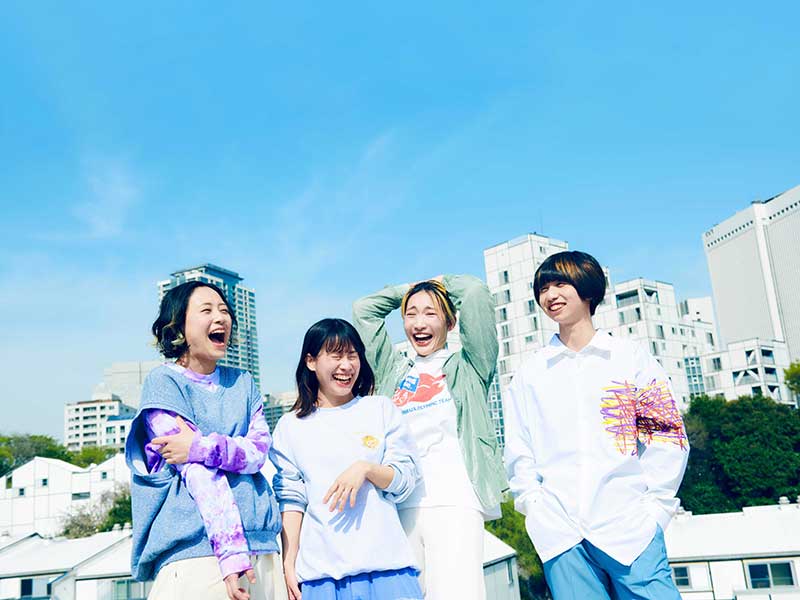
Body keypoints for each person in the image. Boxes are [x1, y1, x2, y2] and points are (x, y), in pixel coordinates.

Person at [503, 250, 689, 600]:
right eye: (543, 288)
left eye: (561, 284)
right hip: (561, 534)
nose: (551, 295)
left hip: (630, 528)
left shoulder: (629, 357)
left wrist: (654, 510)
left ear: (588, 288)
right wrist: (535, 507)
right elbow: (518, 448)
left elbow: (666, 435)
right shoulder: (530, 372)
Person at [126, 281, 283, 600]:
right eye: (207, 310)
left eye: (224, 310)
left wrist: (200, 447)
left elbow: (258, 453)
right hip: (200, 555)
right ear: (177, 327)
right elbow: (198, 474)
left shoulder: (243, 382)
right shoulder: (163, 383)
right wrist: (231, 553)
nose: (220, 317)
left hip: (263, 548)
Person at [352, 275, 506, 600]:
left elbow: (476, 293)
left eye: (430, 313)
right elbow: (364, 310)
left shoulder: (470, 365)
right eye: (411, 314)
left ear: (450, 323)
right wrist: (405, 290)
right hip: (399, 503)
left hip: (455, 500)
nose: (419, 323)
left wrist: (442, 282)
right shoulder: (393, 369)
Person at [270, 318, 422, 600]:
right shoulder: (290, 427)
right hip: (321, 578)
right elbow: (291, 501)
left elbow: (405, 481)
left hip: (388, 569)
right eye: (336, 355)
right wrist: (288, 563)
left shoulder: (380, 409)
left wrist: (366, 469)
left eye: (353, 355)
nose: (346, 365)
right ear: (311, 361)